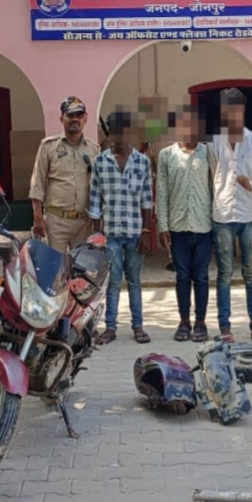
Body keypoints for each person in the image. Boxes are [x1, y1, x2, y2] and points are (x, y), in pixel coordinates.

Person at [208, 88, 252, 343]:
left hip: (249, 216)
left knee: (251, 273)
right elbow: (210, 178)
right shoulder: (213, 142)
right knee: (224, 274)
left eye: (235, 107)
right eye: (227, 108)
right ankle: (225, 327)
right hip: (222, 216)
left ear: (242, 109)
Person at [88, 110, 155, 345]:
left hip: (136, 232)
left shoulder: (142, 162)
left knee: (134, 280)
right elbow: (95, 202)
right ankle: (110, 327)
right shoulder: (100, 162)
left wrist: (146, 231)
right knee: (114, 281)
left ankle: (138, 326)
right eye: (116, 131)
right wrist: (98, 235)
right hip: (111, 234)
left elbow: (147, 200)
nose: (121, 136)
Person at [157, 105, 213, 342]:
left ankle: (200, 322)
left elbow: (215, 187)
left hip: (204, 225)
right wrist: (163, 226)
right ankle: (184, 321)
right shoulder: (166, 155)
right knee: (182, 276)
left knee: (201, 277)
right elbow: (162, 191)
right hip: (177, 227)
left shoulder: (208, 153)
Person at [28, 96, 101, 252]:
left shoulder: (94, 149)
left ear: (85, 119)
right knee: (55, 265)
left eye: (79, 115)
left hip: (84, 222)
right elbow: (37, 183)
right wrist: (38, 218)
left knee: (82, 265)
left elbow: (99, 187)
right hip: (56, 221)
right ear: (62, 118)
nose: (75, 119)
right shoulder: (48, 146)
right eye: (70, 115)